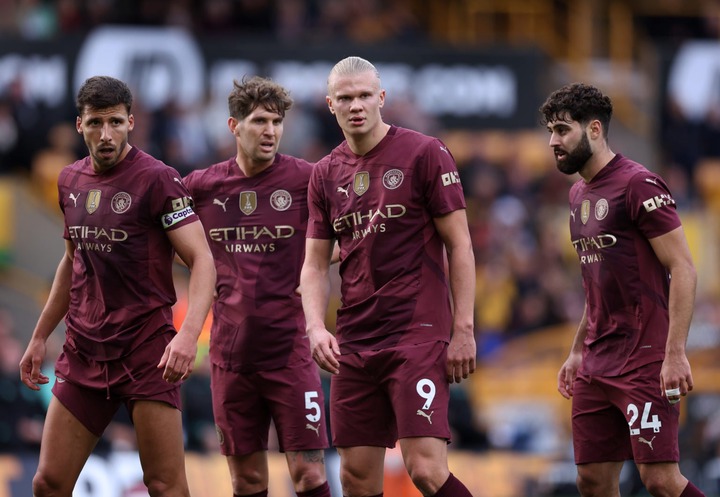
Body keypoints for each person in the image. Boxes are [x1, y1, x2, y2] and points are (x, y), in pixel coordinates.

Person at [19, 75, 216, 497]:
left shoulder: (158, 179)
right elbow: (73, 262)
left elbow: (202, 261)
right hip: (85, 350)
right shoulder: (69, 181)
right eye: (95, 123)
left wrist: (187, 335)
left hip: (147, 352)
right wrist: (39, 336)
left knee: (165, 486)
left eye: (114, 122)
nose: (105, 135)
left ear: (130, 122)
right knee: (48, 482)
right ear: (79, 125)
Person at [300, 56, 477, 497]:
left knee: (425, 469)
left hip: (416, 334)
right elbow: (316, 263)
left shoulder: (424, 153)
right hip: (355, 341)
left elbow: (460, 244)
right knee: (356, 478)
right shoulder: (324, 174)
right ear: (330, 105)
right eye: (345, 98)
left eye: (364, 96)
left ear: (382, 98)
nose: (356, 105)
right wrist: (316, 327)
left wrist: (464, 329)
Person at [540, 82, 705, 497]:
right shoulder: (578, 194)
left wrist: (674, 354)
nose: (553, 142)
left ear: (594, 130)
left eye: (562, 130)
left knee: (660, 480)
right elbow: (597, 284)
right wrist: (578, 349)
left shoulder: (639, 185)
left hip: (645, 357)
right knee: (591, 480)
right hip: (597, 359)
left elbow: (683, 268)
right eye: (550, 132)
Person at [183, 76, 332, 497]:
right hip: (230, 360)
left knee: (311, 475)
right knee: (246, 480)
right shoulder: (200, 186)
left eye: (277, 122)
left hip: (290, 355)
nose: (270, 131)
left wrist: (317, 264)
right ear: (233, 126)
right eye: (260, 121)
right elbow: (172, 244)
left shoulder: (309, 180)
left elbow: (345, 238)